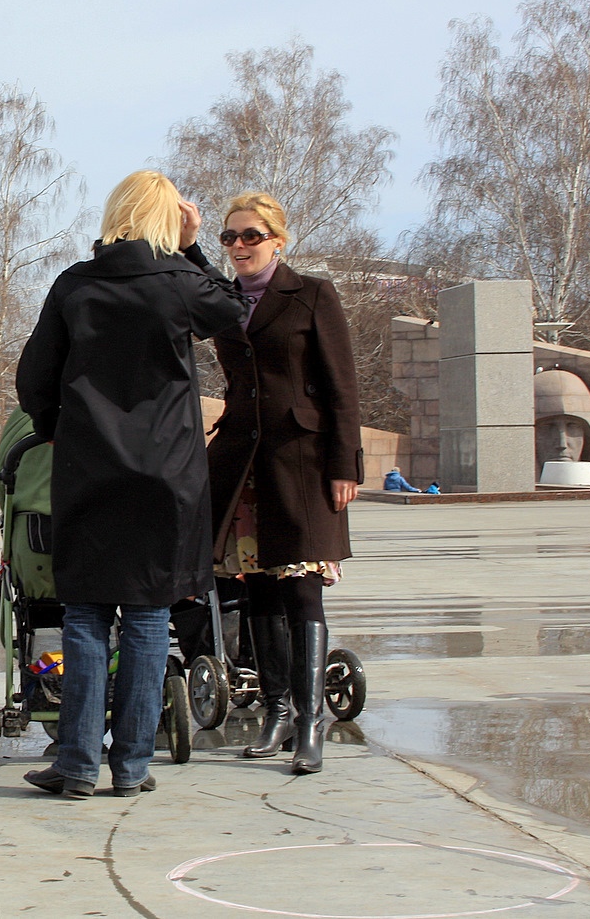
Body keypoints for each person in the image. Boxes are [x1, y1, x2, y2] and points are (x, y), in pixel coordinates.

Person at [16, 170, 245, 799]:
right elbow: (235, 312)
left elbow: (35, 374)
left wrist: (54, 427)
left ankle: (77, 763)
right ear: (168, 219)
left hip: (91, 470)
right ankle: (133, 766)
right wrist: (194, 247)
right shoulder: (177, 283)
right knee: (148, 616)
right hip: (167, 476)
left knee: (86, 614)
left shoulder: (76, 285)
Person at [207, 191, 362, 775]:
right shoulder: (222, 300)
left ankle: (309, 720)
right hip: (243, 462)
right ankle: (273, 713)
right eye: (230, 238)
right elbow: (195, 277)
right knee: (257, 592)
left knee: (302, 593)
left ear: (277, 239)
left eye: (250, 236)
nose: (239, 246)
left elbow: (342, 384)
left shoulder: (312, 294)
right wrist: (193, 237)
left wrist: (346, 463)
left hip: (302, 463)